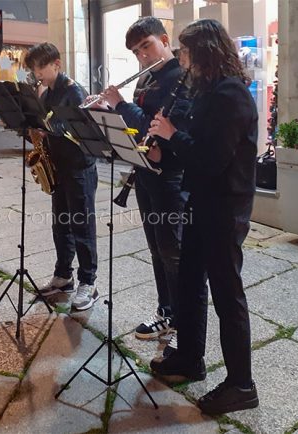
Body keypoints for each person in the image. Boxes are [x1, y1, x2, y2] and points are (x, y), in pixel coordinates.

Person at [147, 19, 260, 415]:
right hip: (201, 201)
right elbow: (195, 149)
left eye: (187, 51)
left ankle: (241, 385)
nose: (183, 59)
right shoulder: (208, 91)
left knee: (228, 295)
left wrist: (173, 134)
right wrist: (165, 149)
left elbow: (213, 160)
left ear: (205, 51)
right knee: (191, 281)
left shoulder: (231, 95)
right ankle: (191, 358)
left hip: (224, 209)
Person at [96, 17, 190, 351]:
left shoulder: (179, 78)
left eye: (146, 46)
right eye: (137, 52)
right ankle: (166, 311)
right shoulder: (148, 80)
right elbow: (137, 131)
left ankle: (184, 318)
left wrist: (120, 104)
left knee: (173, 250)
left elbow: (156, 127)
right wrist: (106, 115)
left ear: (164, 40)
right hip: (145, 172)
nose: (143, 57)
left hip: (170, 177)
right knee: (156, 248)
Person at [24, 42, 99, 311]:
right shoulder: (48, 94)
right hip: (59, 167)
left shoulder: (73, 92)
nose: (37, 73)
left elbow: (81, 131)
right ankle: (63, 275)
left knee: (82, 227)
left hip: (79, 168)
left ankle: (88, 282)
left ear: (56, 64)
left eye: (40, 67)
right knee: (61, 226)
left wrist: (50, 130)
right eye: (34, 69)